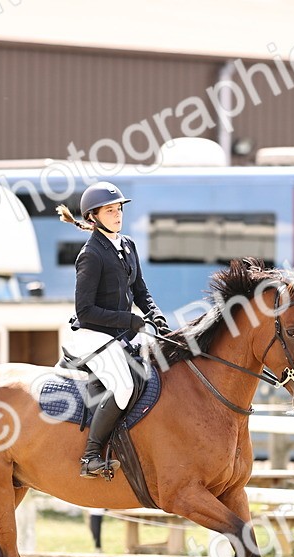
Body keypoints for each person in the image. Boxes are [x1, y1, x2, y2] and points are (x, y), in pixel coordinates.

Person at [57, 181, 171, 478]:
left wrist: (155, 315)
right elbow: (85, 311)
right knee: (124, 386)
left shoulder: (128, 245)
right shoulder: (91, 254)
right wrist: (129, 321)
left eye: (119, 208)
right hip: (90, 334)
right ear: (93, 216)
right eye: (110, 210)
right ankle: (90, 456)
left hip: (118, 333)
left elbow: (141, 291)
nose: (117, 214)